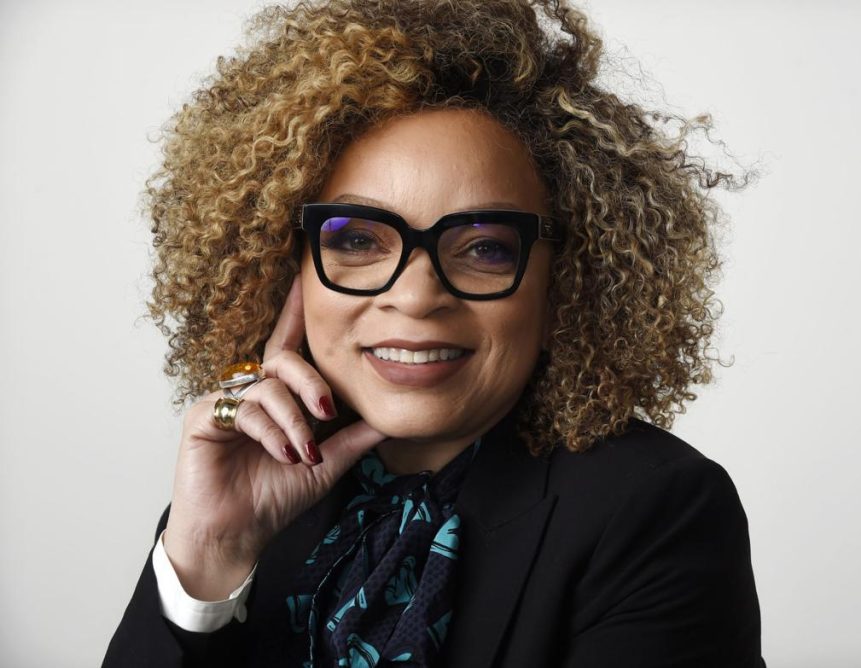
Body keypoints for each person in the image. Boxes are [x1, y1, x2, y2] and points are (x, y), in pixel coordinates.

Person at [103, 0, 765, 665]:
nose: (416, 297)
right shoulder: (248, 493)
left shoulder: (654, 509)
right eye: (357, 240)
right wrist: (209, 554)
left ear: (564, 282)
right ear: (285, 271)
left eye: (485, 248)